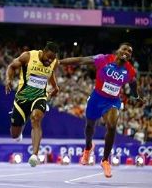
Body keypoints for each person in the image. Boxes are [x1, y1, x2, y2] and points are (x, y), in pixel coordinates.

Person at [59, 42, 144, 178]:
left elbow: (133, 83)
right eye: (124, 49)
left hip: (112, 102)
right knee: (89, 127)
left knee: (111, 126)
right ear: (118, 50)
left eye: (130, 51)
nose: (127, 52)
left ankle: (105, 160)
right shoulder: (103, 59)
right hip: (96, 99)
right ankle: (87, 148)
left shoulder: (129, 70)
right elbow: (81, 60)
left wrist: (136, 96)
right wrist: (59, 62)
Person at [5, 41, 60, 167]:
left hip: (40, 96)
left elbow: (50, 73)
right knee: (14, 134)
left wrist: (55, 86)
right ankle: (20, 129)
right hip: (22, 98)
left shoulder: (53, 62)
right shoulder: (28, 56)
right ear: (43, 51)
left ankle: (34, 155)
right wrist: (8, 79)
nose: (50, 61)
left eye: (52, 59)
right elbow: (12, 67)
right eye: (48, 57)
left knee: (36, 118)